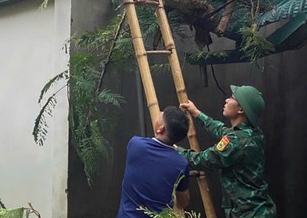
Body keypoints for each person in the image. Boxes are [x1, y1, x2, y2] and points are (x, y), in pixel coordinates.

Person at [179, 85, 277, 218]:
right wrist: (197, 113)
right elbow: (222, 130)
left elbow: (205, 159)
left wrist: (176, 151)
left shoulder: (237, 141)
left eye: (231, 98)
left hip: (248, 213)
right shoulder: (251, 133)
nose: (226, 101)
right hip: (256, 209)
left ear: (241, 109)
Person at [117, 106, 191, 217]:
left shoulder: (135, 144)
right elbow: (183, 202)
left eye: (161, 115)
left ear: (160, 129)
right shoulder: (181, 164)